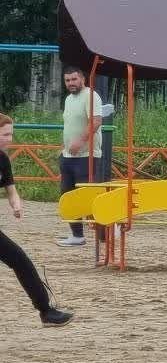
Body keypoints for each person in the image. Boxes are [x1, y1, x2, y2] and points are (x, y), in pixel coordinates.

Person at [0, 114, 74, 326]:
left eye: (11, 134)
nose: (9, 139)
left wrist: (16, 204)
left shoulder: (3, 160)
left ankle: (46, 311)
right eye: (4, 134)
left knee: (20, 261)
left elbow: (11, 190)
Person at [58, 65, 102, 248]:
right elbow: (70, 126)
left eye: (74, 79)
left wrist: (80, 142)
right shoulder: (68, 99)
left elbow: (96, 121)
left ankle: (106, 230)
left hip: (87, 155)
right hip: (68, 156)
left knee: (88, 196)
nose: (71, 83)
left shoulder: (91, 95)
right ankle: (77, 235)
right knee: (68, 195)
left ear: (82, 79)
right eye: (67, 80)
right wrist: (64, 147)